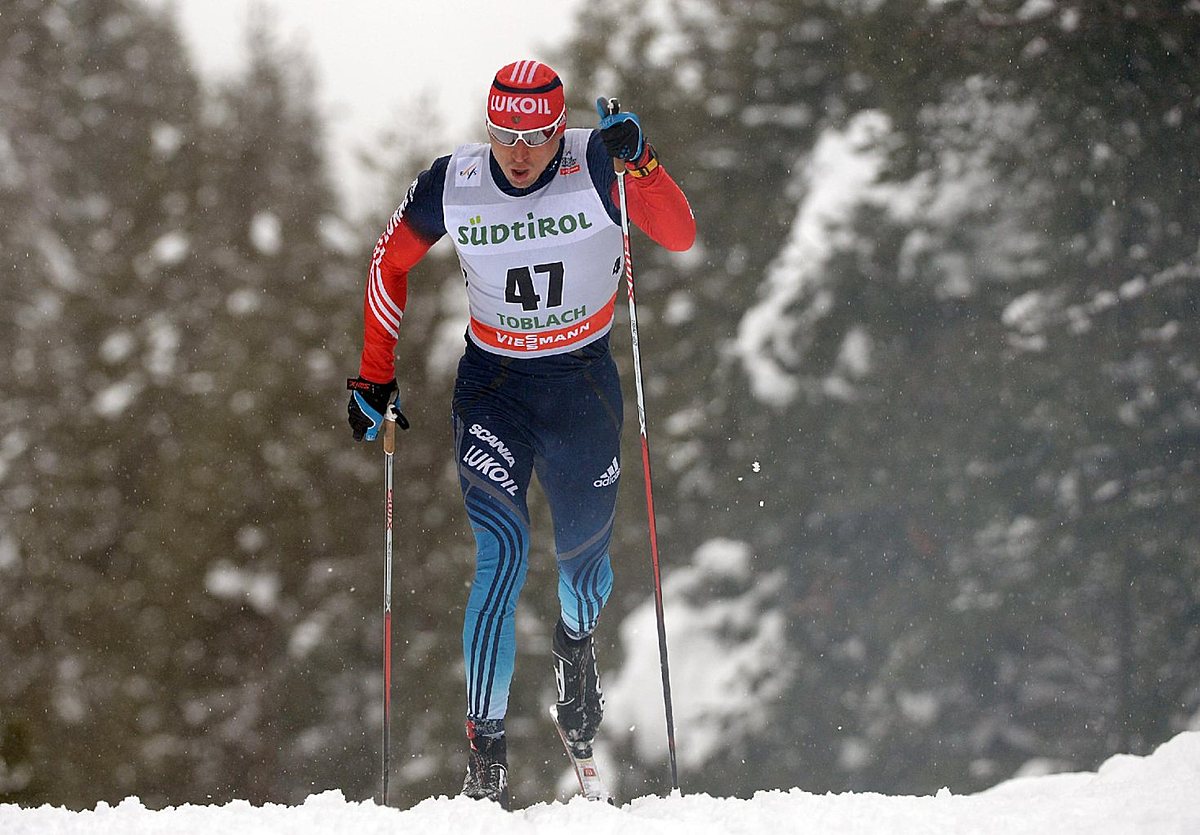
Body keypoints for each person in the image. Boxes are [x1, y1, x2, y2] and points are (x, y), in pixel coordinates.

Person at [346, 59, 695, 808]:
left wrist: (643, 161)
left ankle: (574, 644)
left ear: (558, 128)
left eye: (537, 134)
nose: (520, 151)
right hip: (494, 390)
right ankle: (486, 753)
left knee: (583, 572)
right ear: (488, 127)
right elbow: (389, 261)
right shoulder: (454, 182)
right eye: (505, 133)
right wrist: (375, 373)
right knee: (501, 551)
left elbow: (679, 232)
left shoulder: (596, 160)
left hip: (581, 388)